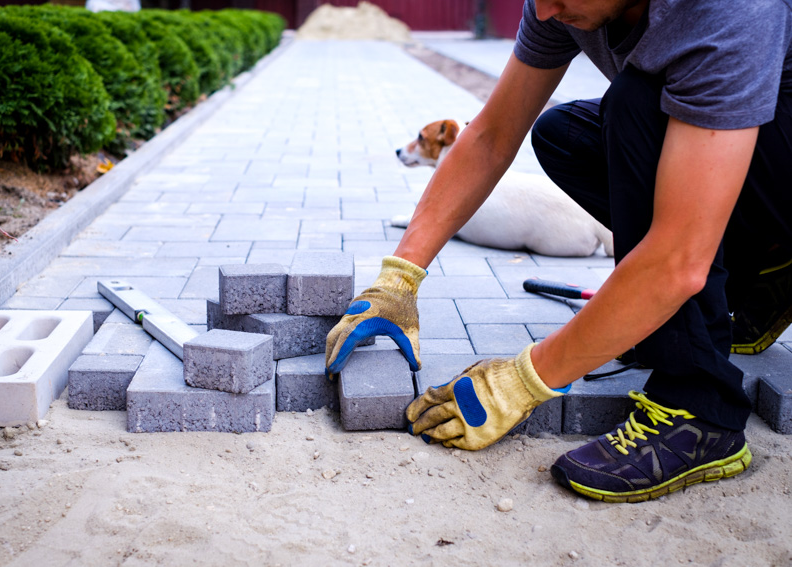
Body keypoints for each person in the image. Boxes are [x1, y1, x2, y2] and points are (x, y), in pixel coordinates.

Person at [326, 0, 792, 503]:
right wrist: (400, 278)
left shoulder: (729, 9)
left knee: (636, 103)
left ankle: (701, 412)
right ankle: (768, 274)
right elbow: (488, 136)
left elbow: (678, 260)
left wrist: (526, 379)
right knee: (564, 135)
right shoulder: (560, 6)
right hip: (748, 160)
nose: (544, 13)